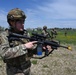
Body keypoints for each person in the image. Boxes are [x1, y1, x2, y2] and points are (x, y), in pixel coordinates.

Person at [0, 8, 52, 75]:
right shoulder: (4, 35)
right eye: (20, 22)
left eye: (23, 21)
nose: (23, 24)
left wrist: (41, 49)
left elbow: (31, 50)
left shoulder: (25, 34)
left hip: (27, 69)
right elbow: (4, 54)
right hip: (14, 72)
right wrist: (24, 46)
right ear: (11, 22)